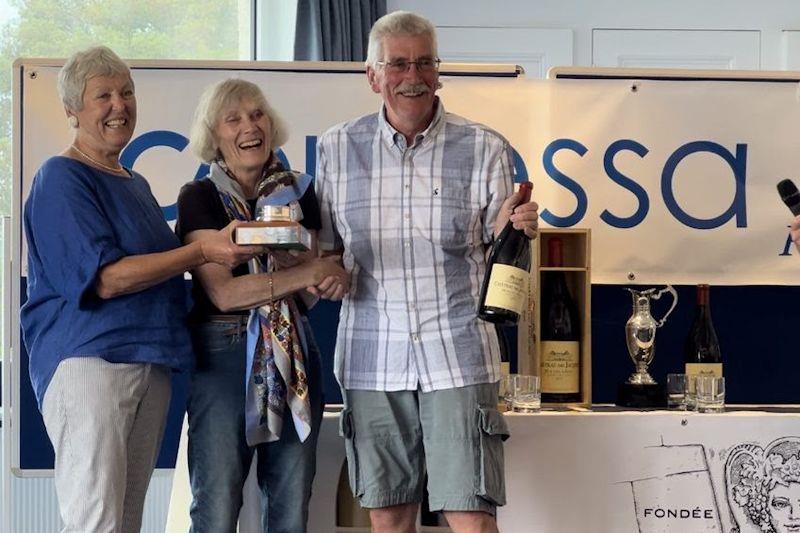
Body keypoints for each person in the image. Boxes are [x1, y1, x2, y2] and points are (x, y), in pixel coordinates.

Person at [315, 11, 539, 533]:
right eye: (397, 64)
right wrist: (327, 275)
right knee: (388, 519)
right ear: (373, 76)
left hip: (457, 353)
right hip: (372, 357)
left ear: (439, 73)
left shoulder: (486, 146)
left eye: (422, 62)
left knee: (470, 517)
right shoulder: (335, 149)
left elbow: (503, 250)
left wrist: (518, 227)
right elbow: (327, 254)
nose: (410, 75)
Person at [20, 46, 260, 533]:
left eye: (126, 93)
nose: (119, 105)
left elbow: (160, 274)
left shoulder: (136, 184)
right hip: (92, 365)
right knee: (96, 522)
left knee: (124, 522)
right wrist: (200, 253)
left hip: (150, 365)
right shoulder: (60, 177)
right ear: (71, 110)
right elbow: (107, 279)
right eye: (102, 96)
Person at [176, 78, 349, 533]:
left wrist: (324, 277)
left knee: (292, 501)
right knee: (216, 503)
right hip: (223, 354)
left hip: (293, 348)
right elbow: (225, 294)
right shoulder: (199, 197)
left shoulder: (300, 192)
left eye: (257, 115)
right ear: (214, 137)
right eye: (233, 119)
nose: (250, 126)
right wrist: (305, 274)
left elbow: (320, 274)